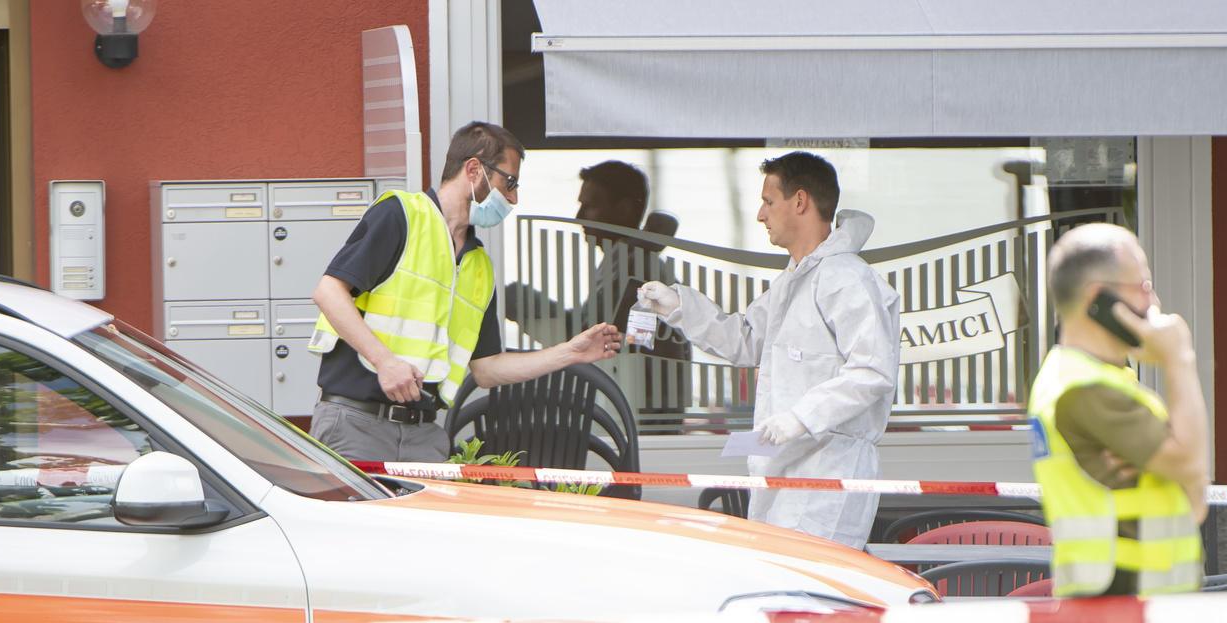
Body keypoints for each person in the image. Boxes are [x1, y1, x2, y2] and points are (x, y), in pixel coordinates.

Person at [1028, 223, 1208, 623]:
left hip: (1114, 618)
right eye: (1145, 287)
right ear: (1103, 298)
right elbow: (1191, 465)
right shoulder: (1089, 388)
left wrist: (1186, 472)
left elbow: (1187, 490)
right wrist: (1180, 357)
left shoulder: (1088, 379)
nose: (1155, 305)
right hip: (1127, 622)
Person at [306, 121, 621, 462]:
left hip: (423, 434)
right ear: (474, 170)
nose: (513, 198)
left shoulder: (479, 265)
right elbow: (328, 292)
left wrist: (570, 353)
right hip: (355, 425)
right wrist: (384, 362)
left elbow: (487, 369)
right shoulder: (402, 215)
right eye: (509, 182)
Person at [637, 151, 899, 547]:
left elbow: (873, 371)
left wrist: (800, 418)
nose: (761, 215)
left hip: (829, 476)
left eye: (768, 201)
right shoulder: (794, 280)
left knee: (813, 597)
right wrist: (680, 308)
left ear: (800, 201)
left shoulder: (846, 279)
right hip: (789, 475)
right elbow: (745, 340)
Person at [503, 160, 690, 414]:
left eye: (590, 207)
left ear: (623, 210)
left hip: (642, 428)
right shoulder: (627, 261)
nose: (579, 217)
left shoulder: (635, 269)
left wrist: (514, 299)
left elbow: (589, 338)